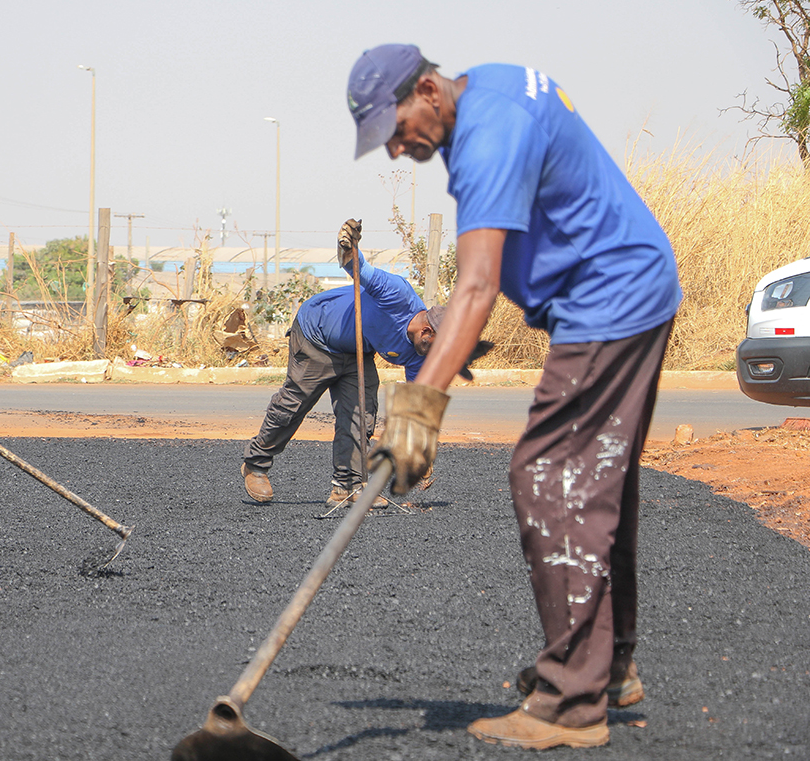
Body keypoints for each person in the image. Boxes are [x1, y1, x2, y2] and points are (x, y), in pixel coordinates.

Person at [348, 45, 682, 749]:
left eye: (396, 128)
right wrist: (448, 333)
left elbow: (476, 284)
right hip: (629, 286)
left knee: (548, 475)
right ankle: (608, 666)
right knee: (597, 481)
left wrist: (417, 410)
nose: (396, 149)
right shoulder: (491, 91)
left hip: (609, 301)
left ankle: (569, 700)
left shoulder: (486, 135)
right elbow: (488, 268)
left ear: (428, 90)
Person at [241, 221, 442, 509]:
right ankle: (255, 464)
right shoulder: (398, 293)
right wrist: (347, 247)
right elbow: (358, 269)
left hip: (357, 354)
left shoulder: (419, 352)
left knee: (361, 411)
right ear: (427, 332)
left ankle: (347, 487)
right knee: (294, 404)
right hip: (317, 334)